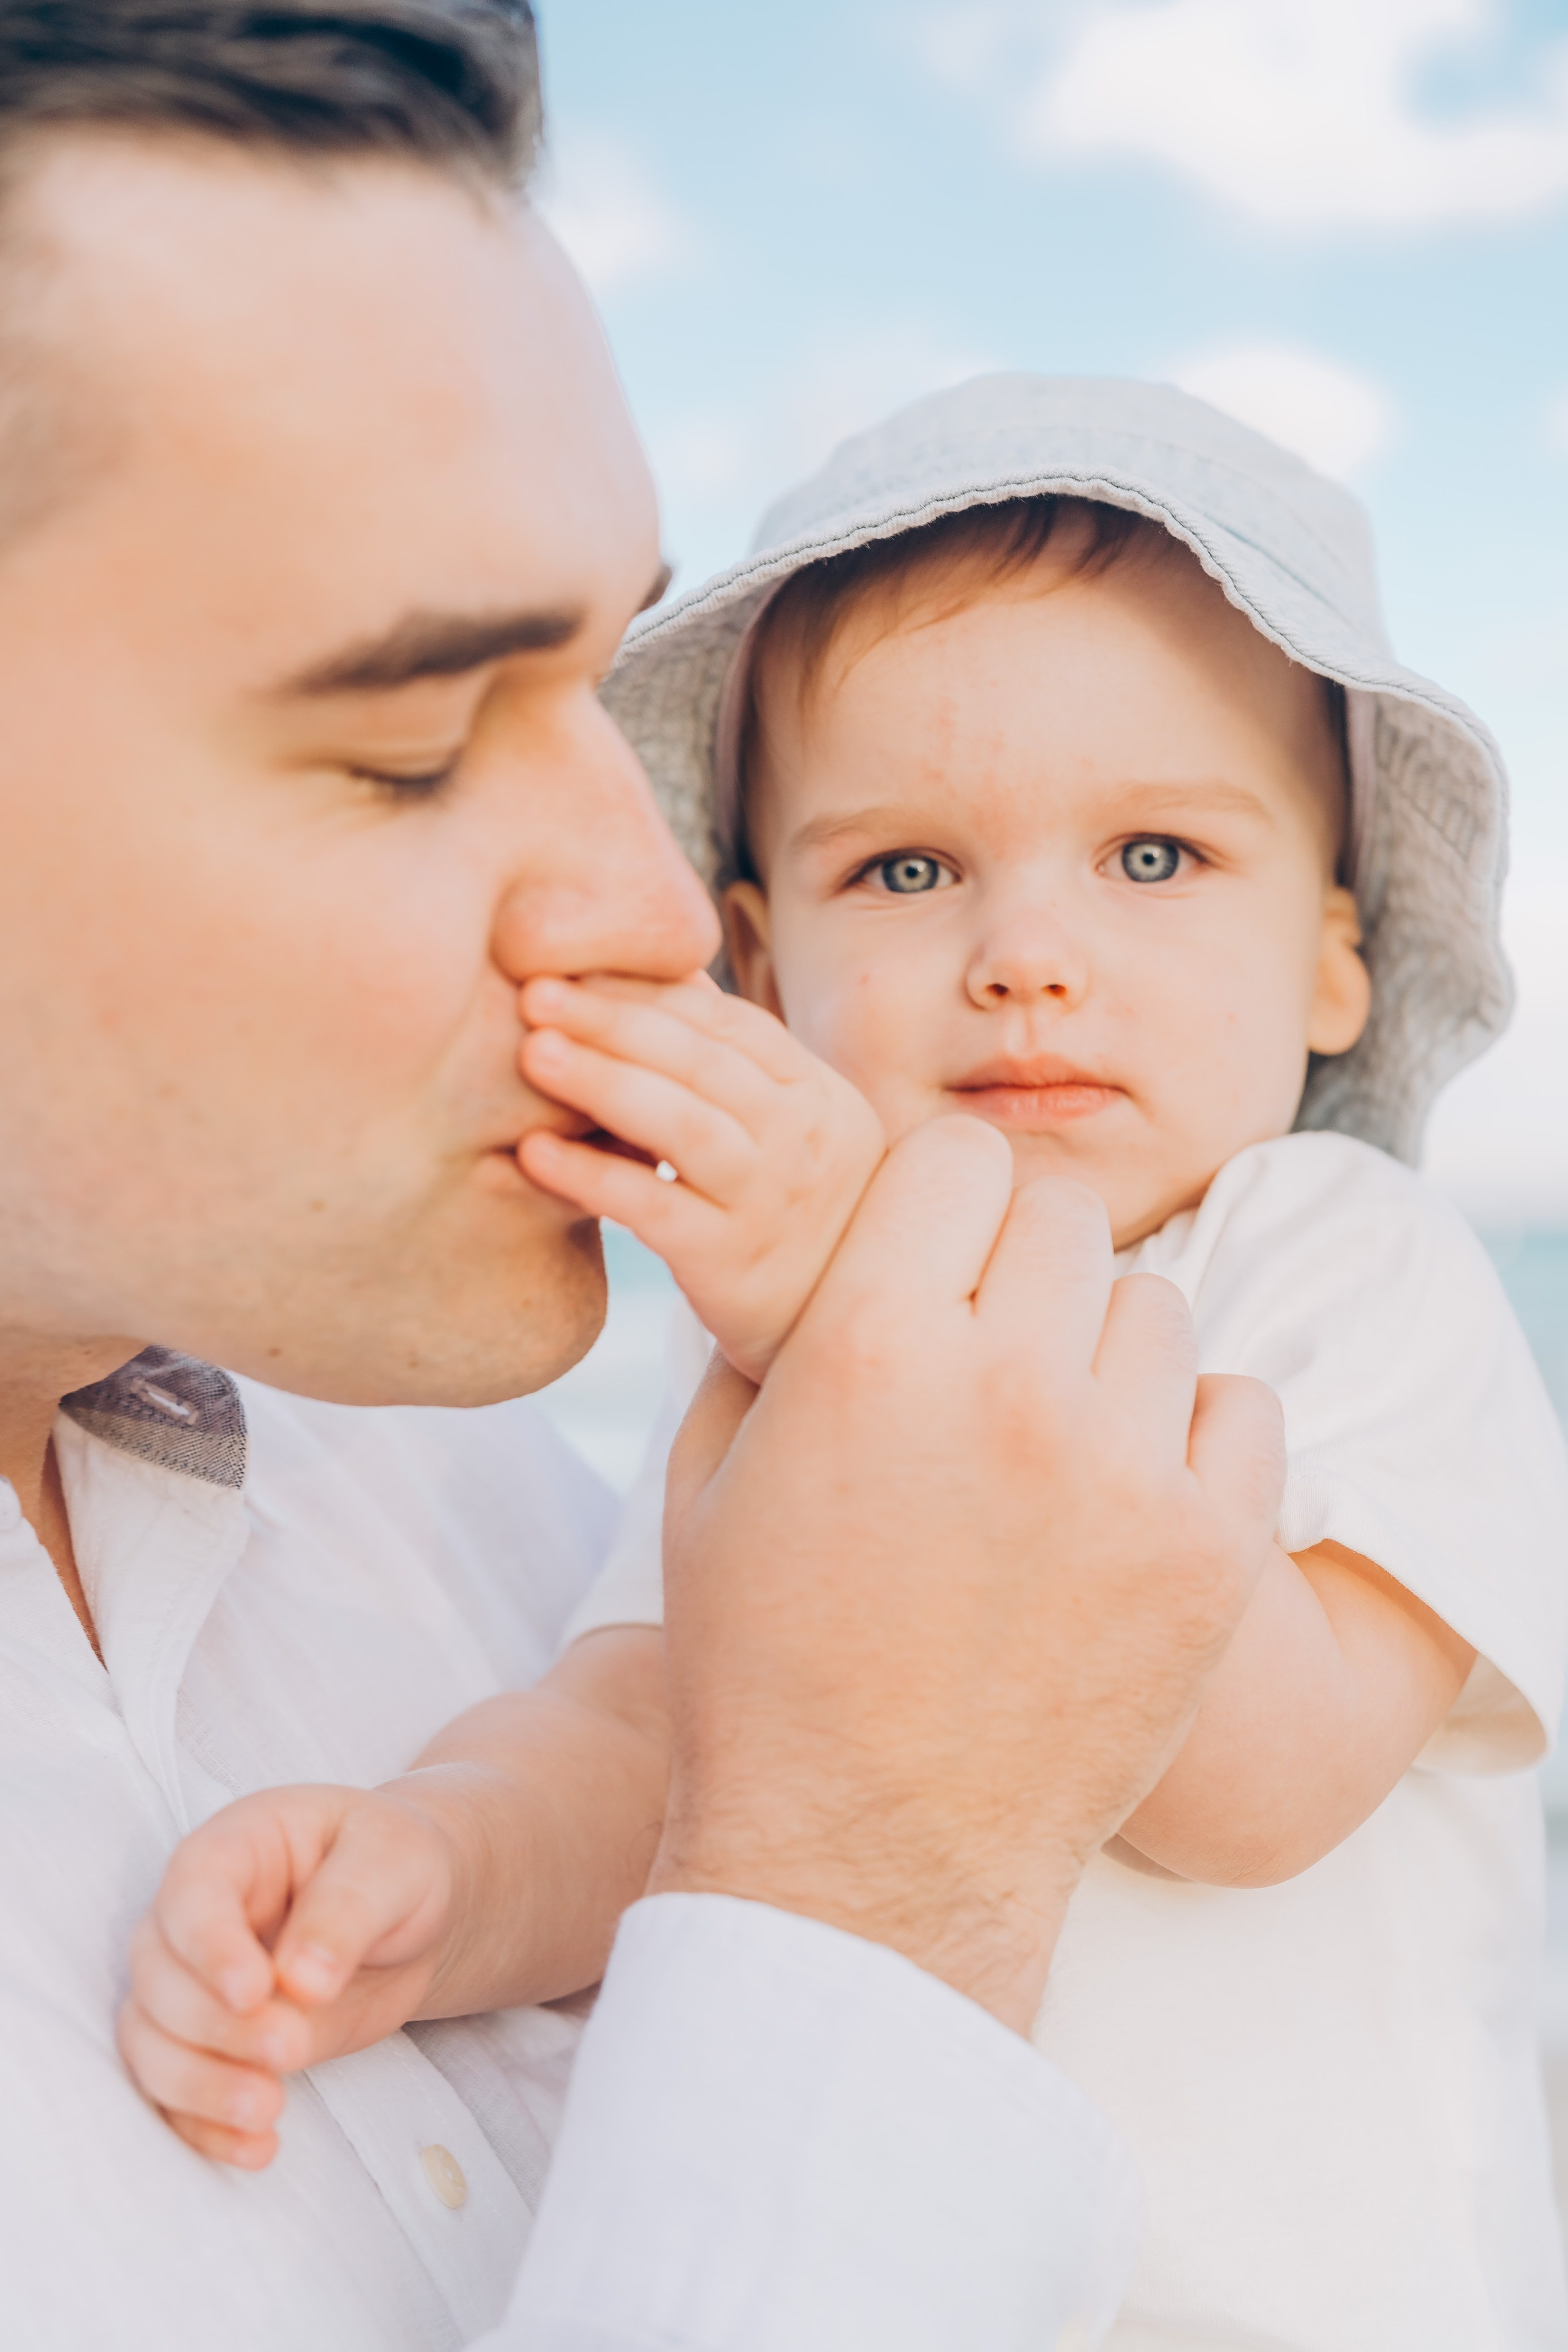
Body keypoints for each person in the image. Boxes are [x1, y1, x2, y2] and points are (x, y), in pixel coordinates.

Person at [0, 8, 1288, 2349]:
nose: (669, 912)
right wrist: (876, 1885)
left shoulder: (460, 1478)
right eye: (414, 747)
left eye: (597, 691)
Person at [127, 380, 1568, 2351]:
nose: (1026, 953)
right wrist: (444, 1869)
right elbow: (664, 1752)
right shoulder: (761, 1359)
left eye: (1155, 857)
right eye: (906, 871)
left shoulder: (1341, 1265)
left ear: (1336, 956)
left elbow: (1273, 1784)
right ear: (758, 960)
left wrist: (849, 1308)